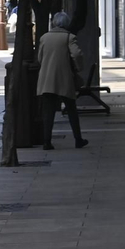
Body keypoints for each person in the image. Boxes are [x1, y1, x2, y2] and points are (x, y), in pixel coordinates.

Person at [36, 11, 89, 151]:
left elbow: (40, 58)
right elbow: (77, 54)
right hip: (64, 78)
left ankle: (46, 142)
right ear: (66, 23)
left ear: (54, 22)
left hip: (47, 79)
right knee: (71, 109)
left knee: (48, 111)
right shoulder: (69, 37)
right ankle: (78, 139)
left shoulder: (44, 38)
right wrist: (79, 68)